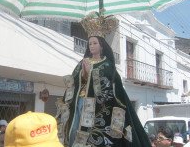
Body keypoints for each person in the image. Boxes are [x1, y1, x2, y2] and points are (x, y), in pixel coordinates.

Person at [56, 14, 151, 147]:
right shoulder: (82, 62)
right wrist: (83, 74)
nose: (91, 46)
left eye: (95, 43)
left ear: (102, 46)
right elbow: (73, 83)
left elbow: (109, 88)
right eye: (90, 43)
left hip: (98, 107)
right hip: (79, 101)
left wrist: (91, 73)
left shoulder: (107, 64)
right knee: (75, 128)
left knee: (91, 133)